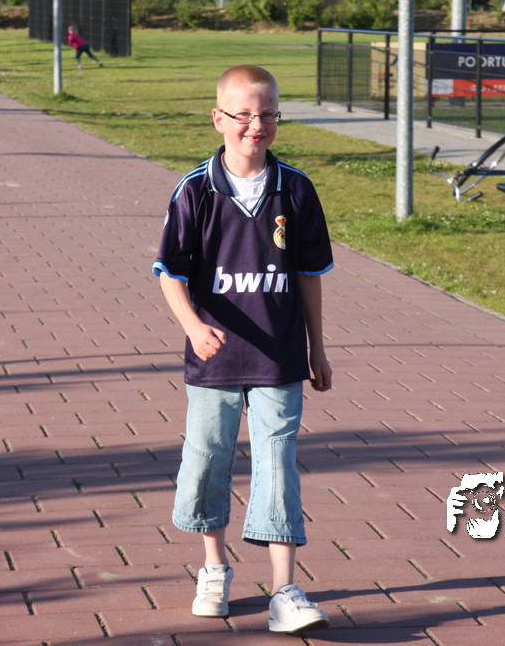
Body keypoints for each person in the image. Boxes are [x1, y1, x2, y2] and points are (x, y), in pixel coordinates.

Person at [152, 64, 334, 634]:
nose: (257, 125)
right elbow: (170, 272)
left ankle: (284, 590)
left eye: (269, 114)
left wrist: (318, 347)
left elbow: (309, 274)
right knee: (208, 457)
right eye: (245, 115)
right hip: (216, 359)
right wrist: (192, 326)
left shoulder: (296, 189)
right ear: (219, 118)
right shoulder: (196, 190)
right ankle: (214, 569)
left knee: (278, 462)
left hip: (280, 356)